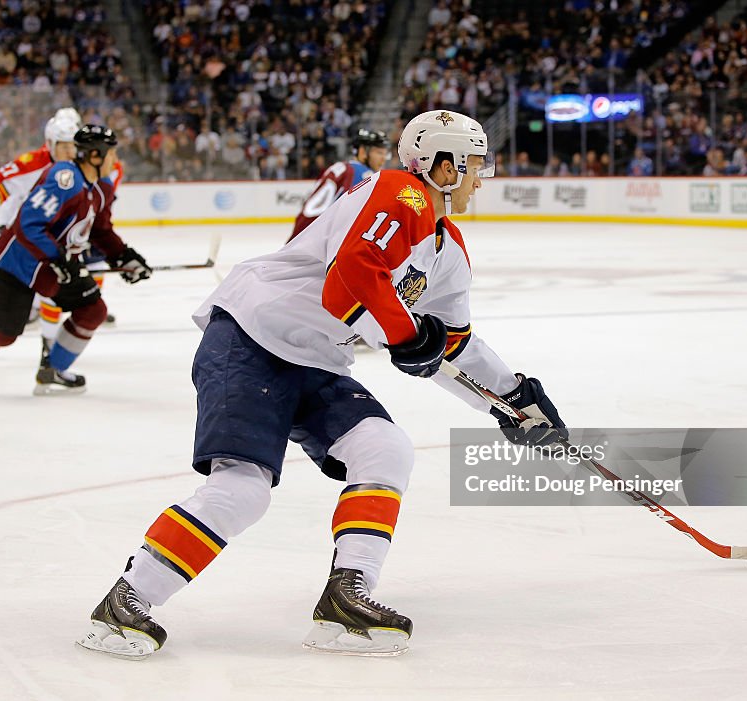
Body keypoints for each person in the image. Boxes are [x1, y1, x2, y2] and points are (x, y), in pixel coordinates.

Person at [77, 110, 567, 658]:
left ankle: (345, 597)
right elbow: (351, 280)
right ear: (441, 166)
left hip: (317, 358)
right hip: (252, 335)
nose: (483, 177)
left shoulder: (445, 250)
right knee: (243, 491)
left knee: (386, 448)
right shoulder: (398, 192)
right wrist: (406, 335)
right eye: (475, 164)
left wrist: (512, 397)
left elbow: (451, 346)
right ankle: (127, 600)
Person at [0, 126, 152, 395]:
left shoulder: (102, 187)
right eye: (112, 154)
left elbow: (100, 230)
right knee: (0, 335)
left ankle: (53, 369)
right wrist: (58, 258)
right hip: (18, 264)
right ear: (95, 155)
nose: (115, 161)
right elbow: (29, 224)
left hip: (53, 268)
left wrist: (124, 256)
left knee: (93, 310)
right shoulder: (65, 179)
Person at [0, 109, 123, 363]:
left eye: (72, 146)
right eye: (63, 146)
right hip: (24, 243)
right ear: (50, 144)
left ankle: (49, 351)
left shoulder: (88, 169)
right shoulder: (33, 163)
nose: (69, 152)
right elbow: (0, 186)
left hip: (54, 244)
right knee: (2, 324)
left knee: (63, 292)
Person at [288, 128, 389, 241]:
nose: (383, 158)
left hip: (308, 241)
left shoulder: (341, 168)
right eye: (379, 152)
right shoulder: (364, 175)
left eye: (385, 153)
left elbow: (310, 213)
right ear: (362, 151)